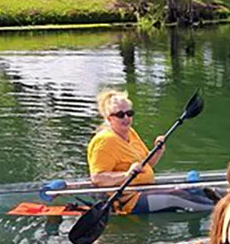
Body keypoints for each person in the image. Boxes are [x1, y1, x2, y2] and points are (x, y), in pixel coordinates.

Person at [87, 89, 215, 214]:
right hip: (129, 200)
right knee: (178, 197)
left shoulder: (130, 132)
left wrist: (158, 150)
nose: (126, 118)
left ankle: (224, 202)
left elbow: (147, 164)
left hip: (146, 189)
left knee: (195, 191)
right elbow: (98, 178)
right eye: (120, 115)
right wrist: (126, 174)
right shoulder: (104, 141)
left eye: (129, 113)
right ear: (109, 119)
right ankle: (217, 212)